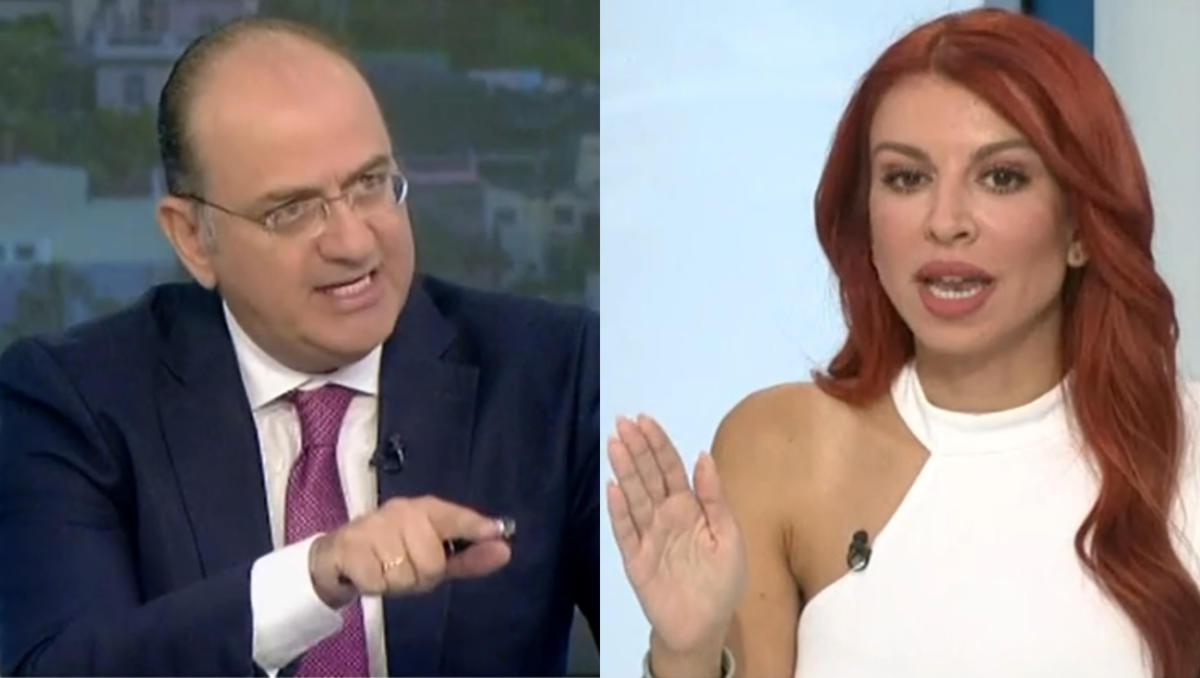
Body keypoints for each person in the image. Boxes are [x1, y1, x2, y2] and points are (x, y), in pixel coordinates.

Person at [606, 8, 1200, 678]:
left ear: (1082, 229)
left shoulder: (1186, 449)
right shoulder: (781, 448)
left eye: (1001, 177)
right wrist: (685, 654)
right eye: (906, 178)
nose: (945, 222)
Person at [0, 16, 598, 678]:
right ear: (193, 238)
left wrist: (677, 653)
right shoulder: (72, 401)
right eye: (291, 210)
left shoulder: (556, 375)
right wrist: (314, 576)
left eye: (371, 184)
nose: (353, 242)